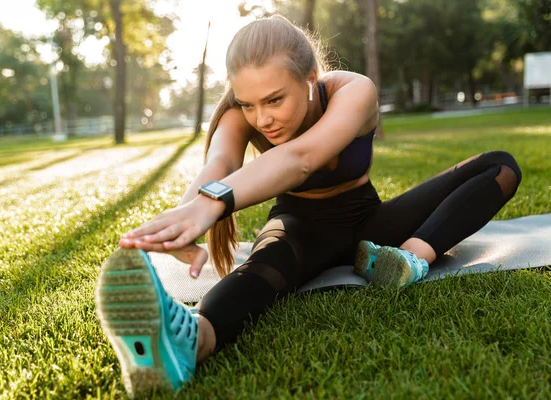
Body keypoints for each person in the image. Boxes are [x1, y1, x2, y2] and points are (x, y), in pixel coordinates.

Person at [95, 15, 522, 397]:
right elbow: (220, 163)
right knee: (260, 270)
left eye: (274, 100)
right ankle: (189, 340)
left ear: (310, 76)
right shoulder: (242, 114)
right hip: (299, 228)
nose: (261, 119)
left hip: (370, 223)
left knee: (500, 167)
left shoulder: (354, 91)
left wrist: (211, 206)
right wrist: (187, 212)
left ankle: (409, 257)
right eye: (248, 104)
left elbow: (301, 159)